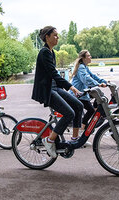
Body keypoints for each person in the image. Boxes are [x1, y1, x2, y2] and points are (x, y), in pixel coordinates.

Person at [31, 26, 83, 158]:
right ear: (47, 37)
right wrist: (71, 87)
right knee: (69, 113)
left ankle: (75, 139)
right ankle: (49, 140)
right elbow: (53, 73)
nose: (57, 38)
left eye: (57, 35)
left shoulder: (51, 52)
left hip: (54, 88)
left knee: (78, 106)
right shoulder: (44, 52)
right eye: (54, 35)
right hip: (47, 90)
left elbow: (54, 75)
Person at [70, 50, 107, 129]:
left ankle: (87, 121)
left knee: (97, 96)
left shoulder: (85, 67)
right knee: (90, 110)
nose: (90, 57)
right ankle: (82, 127)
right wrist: (98, 84)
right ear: (83, 58)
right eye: (88, 56)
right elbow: (86, 79)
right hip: (77, 94)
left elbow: (92, 76)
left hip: (83, 92)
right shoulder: (81, 67)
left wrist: (103, 81)